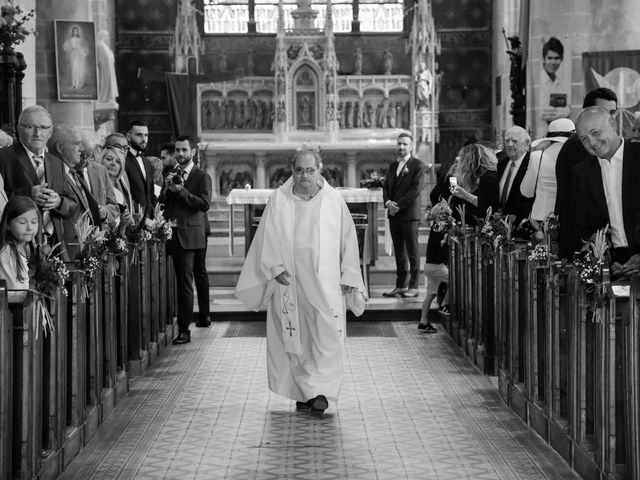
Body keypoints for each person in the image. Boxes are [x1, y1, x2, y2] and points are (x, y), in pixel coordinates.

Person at [235, 148, 366, 417]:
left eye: (310, 170)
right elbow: (266, 237)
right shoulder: (279, 200)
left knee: (324, 335)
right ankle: (306, 392)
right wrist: (274, 266)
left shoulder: (333, 201)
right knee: (296, 338)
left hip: (326, 284)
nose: (305, 175)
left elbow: (348, 241)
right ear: (291, 171)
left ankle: (319, 391)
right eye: (299, 170)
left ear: (320, 170)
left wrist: (350, 275)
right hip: (290, 282)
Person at [0, 106, 77, 260]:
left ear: (50, 131)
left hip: (55, 246)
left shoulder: (56, 162)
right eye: (30, 127)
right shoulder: (4, 157)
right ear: (19, 128)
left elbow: (72, 204)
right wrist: (28, 195)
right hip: (17, 246)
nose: (38, 133)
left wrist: (59, 201)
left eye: (43, 128)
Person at [572, 106, 640, 277]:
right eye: (584, 139)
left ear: (612, 124)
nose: (592, 143)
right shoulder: (581, 174)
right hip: (611, 268)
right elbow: (581, 228)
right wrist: (605, 261)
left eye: (595, 133)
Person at [159, 136, 212, 345]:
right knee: (172, 282)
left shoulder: (201, 176)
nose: (180, 154)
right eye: (177, 151)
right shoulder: (171, 174)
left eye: (184, 150)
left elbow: (204, 204)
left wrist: (182, 192)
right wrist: (166, 190)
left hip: (189, 234)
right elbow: (163, 202)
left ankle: (184, 329)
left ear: (192, 152)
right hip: (169, 232)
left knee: (185, 283)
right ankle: (174, 322)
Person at [554, 87, 618, 259]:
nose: (611, 119)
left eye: (613, 112)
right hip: (585, 245)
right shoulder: (584, 145)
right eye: (605, 112)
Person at [48, 124, 102, 259]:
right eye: (77, 144)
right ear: (60, 147)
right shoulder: (55, 175)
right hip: (67, 254)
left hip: (81, 250)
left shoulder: (73, 173)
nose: (82, 149)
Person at [382, 133, 425, 298]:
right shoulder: (393, 165)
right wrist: (388, 203)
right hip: (394, 214)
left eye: (405, 144)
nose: (401, 147)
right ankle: (401, 285)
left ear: (411, 146)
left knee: (412, 251)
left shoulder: (418, 165)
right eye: (399, 144)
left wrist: (397, 205)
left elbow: (416, 189)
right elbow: (386, 187)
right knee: (399, 251)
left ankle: (414, 286)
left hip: (409, 214)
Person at [519, 118, 575, 237]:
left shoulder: (536, 157)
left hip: (541, 219)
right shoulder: (578, 158)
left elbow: (526, 191)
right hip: (570, 219)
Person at [418, 200, 451, 333]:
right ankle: (444, 305)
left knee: (430, 294)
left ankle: (423, 322)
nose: (444, 218)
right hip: (436, 266)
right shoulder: (438, 227)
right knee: (455, 281)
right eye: (443, 215)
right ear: (438, 216)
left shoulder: (435, 226)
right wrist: (446, 238)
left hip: (429, 266)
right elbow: (438, 243)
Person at [448, 143, 500, 225]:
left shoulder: (489, 178)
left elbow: (489, 206)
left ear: (469, 162)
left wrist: (465, 195)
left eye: (462, 159)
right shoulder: (474, 178)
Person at [0, 196, 40, 302]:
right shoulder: (6, 252)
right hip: (15, 313)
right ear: (8, 224)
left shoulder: (31, 249)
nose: (29, 227)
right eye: (22, 222)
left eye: (34, 222)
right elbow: (12, 293)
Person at [497, 126, 534, 225]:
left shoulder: (532, 164)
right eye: (507, 140)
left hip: (522, 226)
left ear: (527, 143)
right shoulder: (501, 164)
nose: (509, 144)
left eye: (514, 141)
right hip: (499, 225)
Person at [537, 37, 571, 137]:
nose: (553, 62)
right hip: (541, 135)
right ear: (544, 58)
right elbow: (543, 113)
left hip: (559, 135)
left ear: (562, 59)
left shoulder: (562, 85)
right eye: (550, 58)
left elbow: (568, 110)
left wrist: (553, 111)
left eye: (556, 58)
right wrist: (561, 111)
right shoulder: (537, 83)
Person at [124, 121, 156, 220]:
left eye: (146, 135)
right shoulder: (123, 160)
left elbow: (150, 193)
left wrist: (153, 217)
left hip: (149, 221)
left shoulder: (147, 162)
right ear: (128, 137)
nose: (144, 139)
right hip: (131, 220)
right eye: (139, 135)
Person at [96, 145, 133, 228]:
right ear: (100, 160)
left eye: (118, 162)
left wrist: (123, 224)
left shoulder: (119, 194)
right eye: (109, 159)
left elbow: (118, 231)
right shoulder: (93, 185)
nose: (113, 163)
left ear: (121, 168)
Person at [63, 25, 89, 90]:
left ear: (78, 32)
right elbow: (68, 47)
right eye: (74, 31)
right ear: (72, 32)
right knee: (74, 69)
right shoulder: (71, 39)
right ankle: (74, 84)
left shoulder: (80, 39)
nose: (75, 32)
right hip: (74, 54)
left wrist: (83, 53)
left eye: (76, 31)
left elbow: (84, 47)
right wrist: (66, 46)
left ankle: (80, 84)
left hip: (80, 54)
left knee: (80, 69)